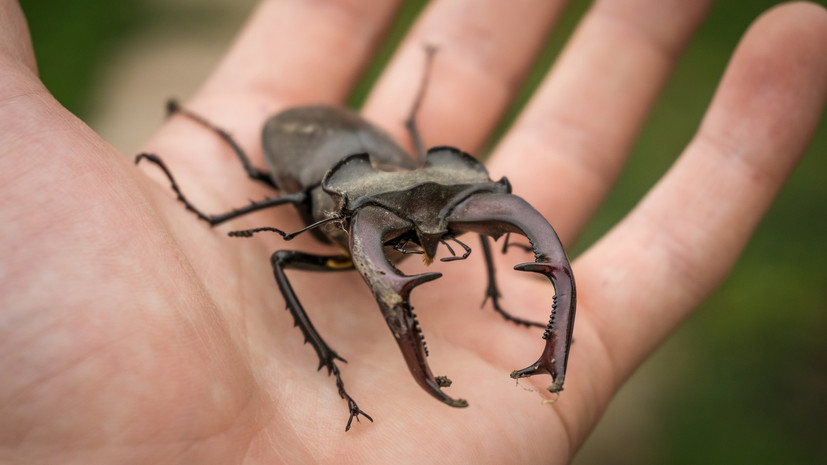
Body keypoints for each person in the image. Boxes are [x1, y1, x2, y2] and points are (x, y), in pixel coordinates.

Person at [1, 1, 825, 463]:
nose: (422, 239)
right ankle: (322, 352)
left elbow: (436, 202)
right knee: (282, 252)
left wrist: (505, 273)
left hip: (370, 153)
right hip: (306, 155)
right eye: (407, 230)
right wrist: (204, 197)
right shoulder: (313, 212)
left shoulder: (412, 193)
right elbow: (273, 231)